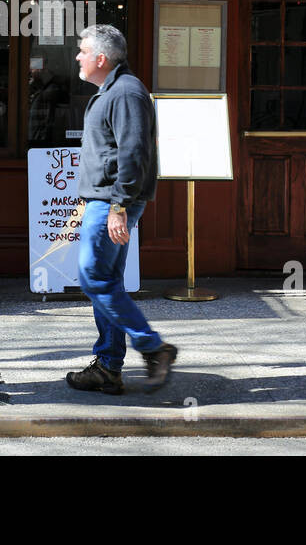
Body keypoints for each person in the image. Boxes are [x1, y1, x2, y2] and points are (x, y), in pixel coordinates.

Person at [66, 24, 177, 395]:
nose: (78, 57)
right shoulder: (113, 90)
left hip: (112, 202)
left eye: (83, 51)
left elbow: (134, 154)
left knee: (93, 277)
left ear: (101, 57)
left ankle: (153, 347)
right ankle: (108, 367)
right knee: (106, 282)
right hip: (105, 201)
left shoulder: (126, 92)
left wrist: (118, 206)